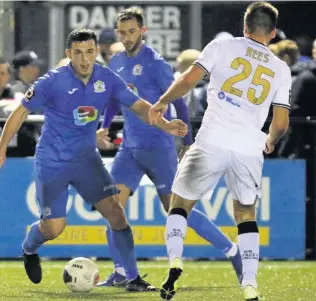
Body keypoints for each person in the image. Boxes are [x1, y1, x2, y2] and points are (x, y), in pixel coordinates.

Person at [0, 28, 187, 292]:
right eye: (79, 53)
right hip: (53, 162)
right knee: (54, 228)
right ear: (69, 54)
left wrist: (165, 125)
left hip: (86, 160)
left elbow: (139, 106)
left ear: (97, 52)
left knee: (117, 214)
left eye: (90, 52)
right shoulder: (52, 81)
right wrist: (0, 148)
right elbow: (20, 112)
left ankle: (132, 277)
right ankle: (29, 247)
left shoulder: (107, 78)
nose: (85, 59)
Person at [148, 2, 290, 300]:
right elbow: (280, 121)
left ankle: (175, 260)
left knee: (180, 203)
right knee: (245, 213)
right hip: (249, 144)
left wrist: (162, 102)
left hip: (213, 137)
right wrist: (272, 139)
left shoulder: (222, 47)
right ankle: (249, 285)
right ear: (273, 33)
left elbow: (188, 80)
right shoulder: (281, 68)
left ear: (245, 26)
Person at [97, 7, 243, 289]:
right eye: (122, 32)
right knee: (112, 207)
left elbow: (178, 100)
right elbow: (117, 98)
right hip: (129, 148)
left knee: (177, 209)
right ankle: (122, 272)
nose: (127, 37)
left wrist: (187, 142)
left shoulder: (155, 63)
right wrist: (105, 124)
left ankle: (233, 252)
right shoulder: (115, 62)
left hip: (158, 147)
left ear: (142, 31)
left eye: (132, 31)